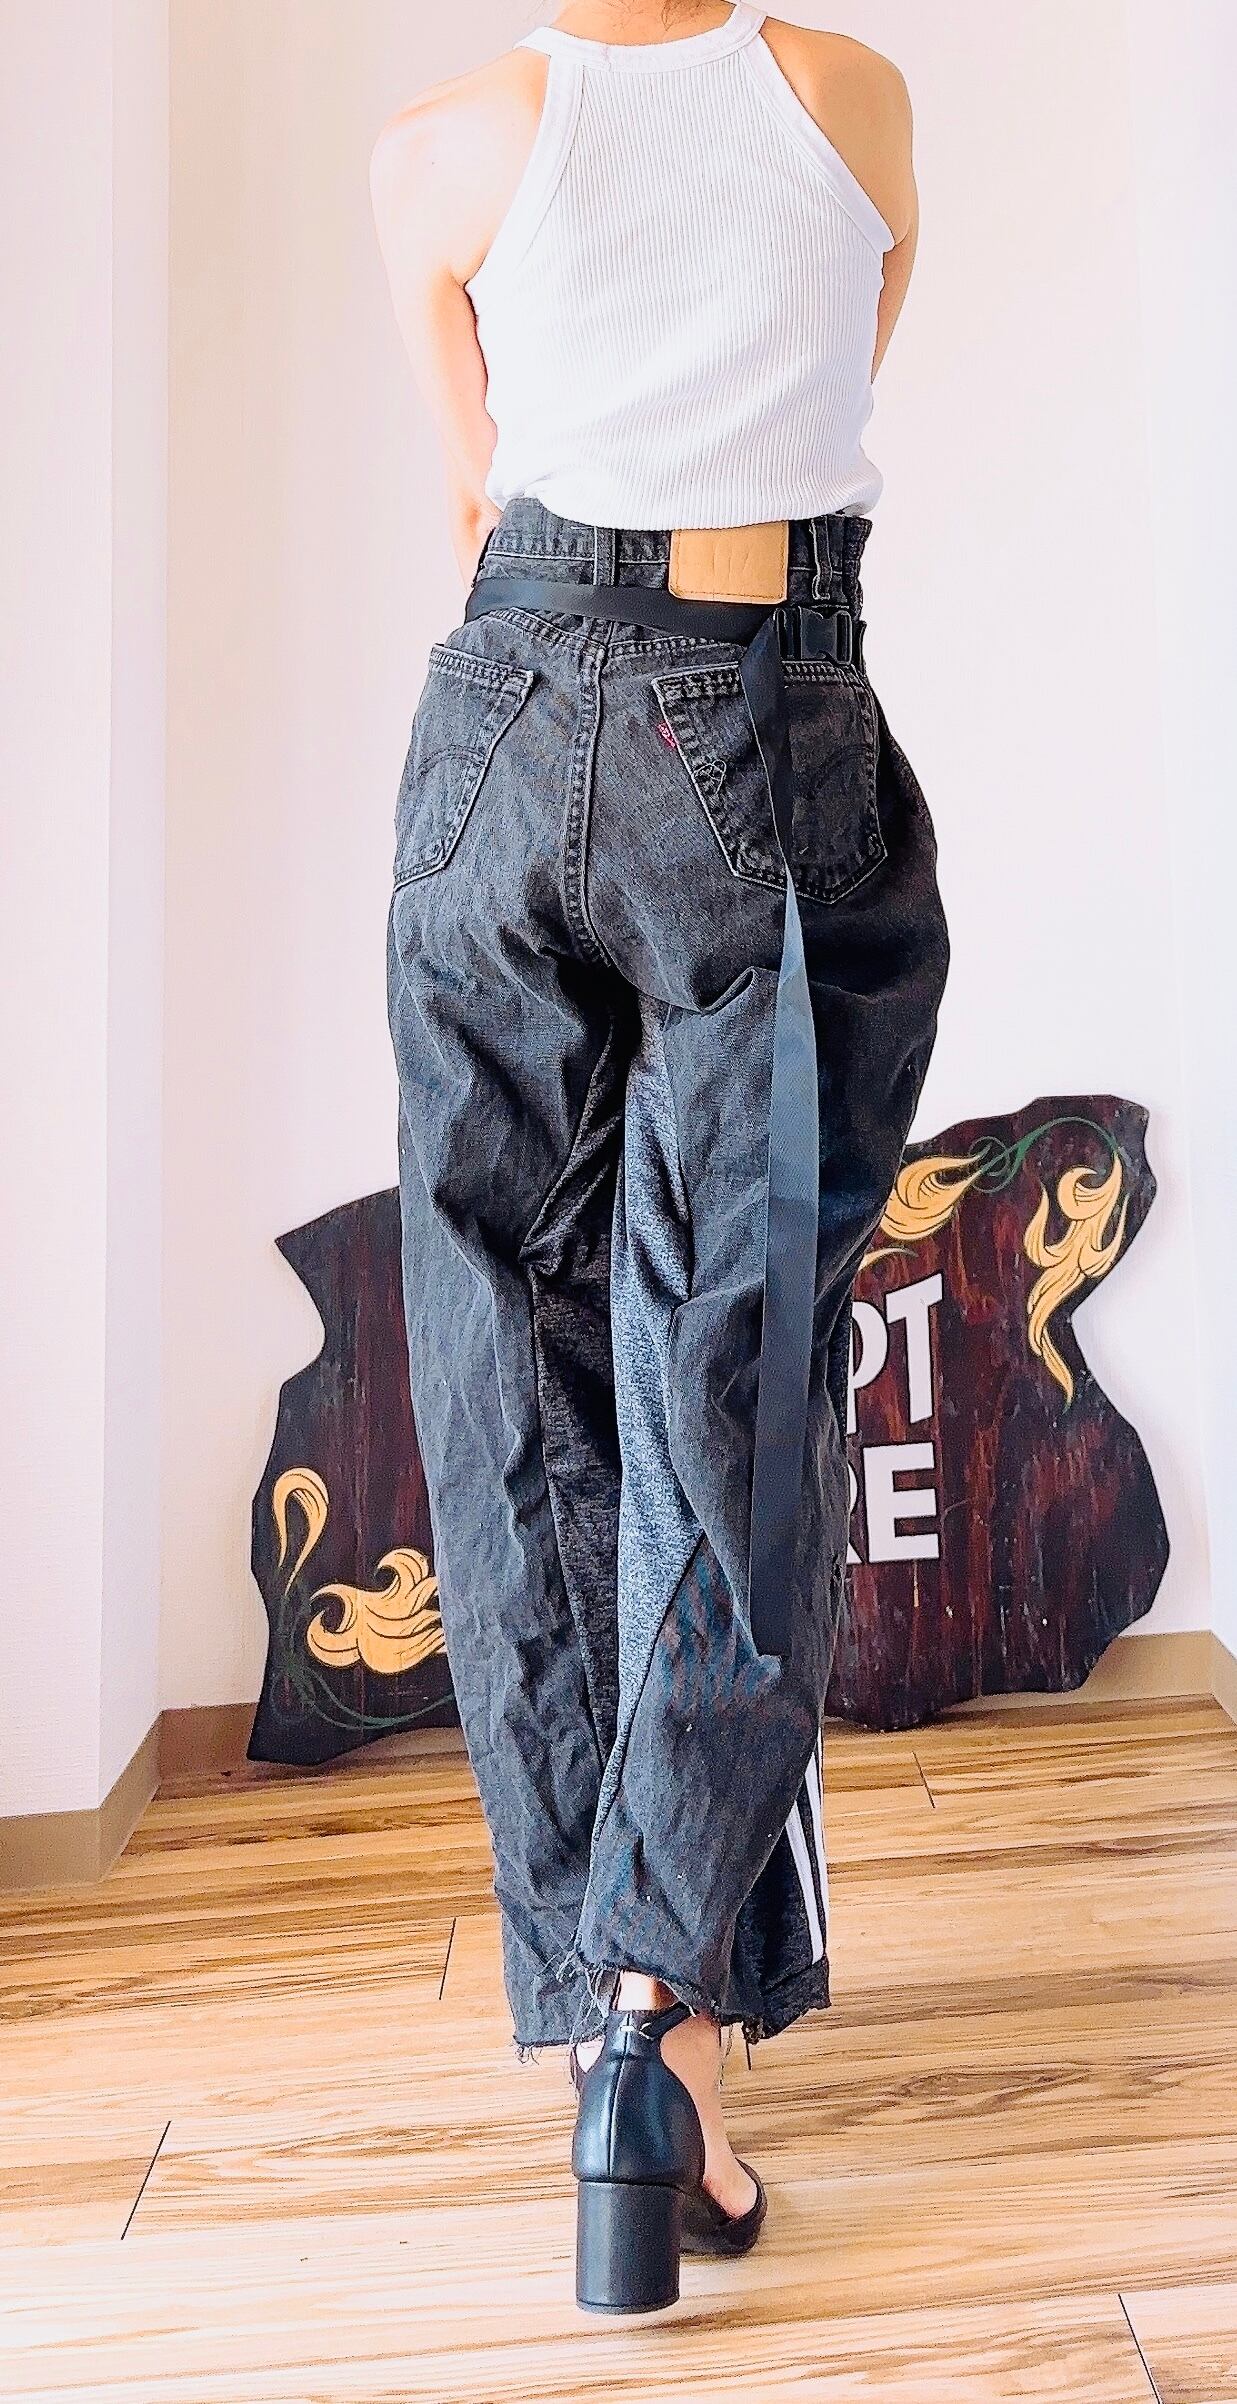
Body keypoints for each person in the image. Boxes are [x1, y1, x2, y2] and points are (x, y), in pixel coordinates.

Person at [372, 0, 949, 2314]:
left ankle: (621, 2020)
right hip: (757, 724)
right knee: (734, 1367)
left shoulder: (436, 152)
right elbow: (819, 402)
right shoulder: (849, 103)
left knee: (511, 1384)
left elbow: (479, 499)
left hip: (490, 736)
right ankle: (649, 2014)